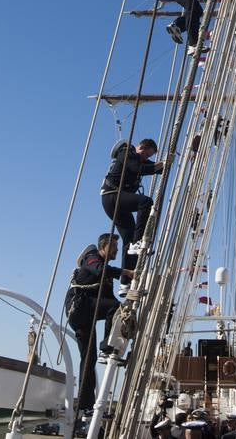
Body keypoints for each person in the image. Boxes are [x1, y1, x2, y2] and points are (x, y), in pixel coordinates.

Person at [64, 234, 132, 412]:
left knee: (88, 358)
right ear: (105, 246)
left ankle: (85, 404)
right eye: (114, 246)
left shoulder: (106, 273)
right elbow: (99, 270)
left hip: (86, 312)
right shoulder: (92, 257)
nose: (117, 250)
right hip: (79, 308)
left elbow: (109, 301)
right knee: (114, 307)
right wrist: (125, 272)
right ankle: (106, 347)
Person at [101, 138, 164, 292]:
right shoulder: (126, 154)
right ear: (141, 147)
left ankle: (125, 284)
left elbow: (155, 167)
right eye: (146, 154)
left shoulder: (138, 158)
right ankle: (138, 242)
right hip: (112, 196)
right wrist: (158, 165)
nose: (146, 158)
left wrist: (165, 163)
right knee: (145, 202)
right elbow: (139, 169)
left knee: (128, 240)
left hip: (115, 201)